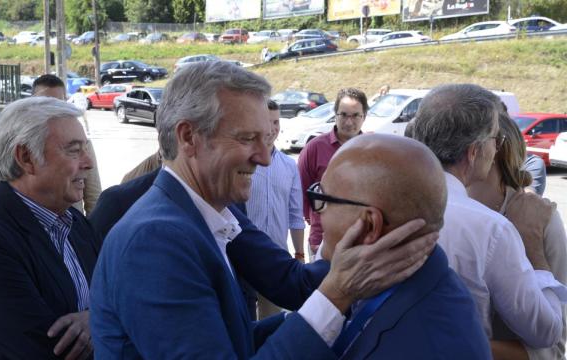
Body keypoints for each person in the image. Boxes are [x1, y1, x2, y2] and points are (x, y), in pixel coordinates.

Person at [90, 61, 437, 358]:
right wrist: (336, 295)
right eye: (246, 139)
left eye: (266, 139)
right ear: (188, 137)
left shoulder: (206, 214)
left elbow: (231, 341)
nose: (265, 157)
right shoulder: (155, 240)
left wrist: (338, 292)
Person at [0, 97, 99, 359]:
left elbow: (122, 299)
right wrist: (106, 321)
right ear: (26, 158)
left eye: (86, 148)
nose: (89, 162)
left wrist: (96, 317)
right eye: (73, 150)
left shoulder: (74, 223)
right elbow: (51, 351)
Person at [410, 83, 566, 349]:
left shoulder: (379, 202)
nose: (496, 149)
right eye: (495, 138)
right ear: (474, 152)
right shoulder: (491, 229)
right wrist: (535, 253)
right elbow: (546, 332)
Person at [315, 133, 490, 359]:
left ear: (370, 225)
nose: (318, 213)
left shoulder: (430, 341)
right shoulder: (381, 282)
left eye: (324, 200)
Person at [468, 112, 567, 360]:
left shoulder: (541, 217)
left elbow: (553, 347)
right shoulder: (442, 208)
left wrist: (458, 342)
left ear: (495, 149)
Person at [246, 99, 305, 319]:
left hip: (275, 260)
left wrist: (299, 254)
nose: (272, 129)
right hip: (243, 258)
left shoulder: (290, 166)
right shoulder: (243, 163)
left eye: (277, 122)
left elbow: (295, 214)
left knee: (271, 321)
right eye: (267, 122)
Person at [298, 87, 368, 256]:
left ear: (364, 116)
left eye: (355, 115)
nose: (349, 122)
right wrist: (316, 220)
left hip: (360, 243)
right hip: (322, 243)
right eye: (343, 115)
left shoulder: (371, 150)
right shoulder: (315, 147)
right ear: (335, 114)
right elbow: (300, 191)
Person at [32, 74, 102, 216]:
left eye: (58, 103)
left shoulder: (83, 144)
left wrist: (90, 234)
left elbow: (94, 198)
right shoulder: (18, 147)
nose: (53, 110)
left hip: (72, 231)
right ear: (32, 103)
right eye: (45, 103)